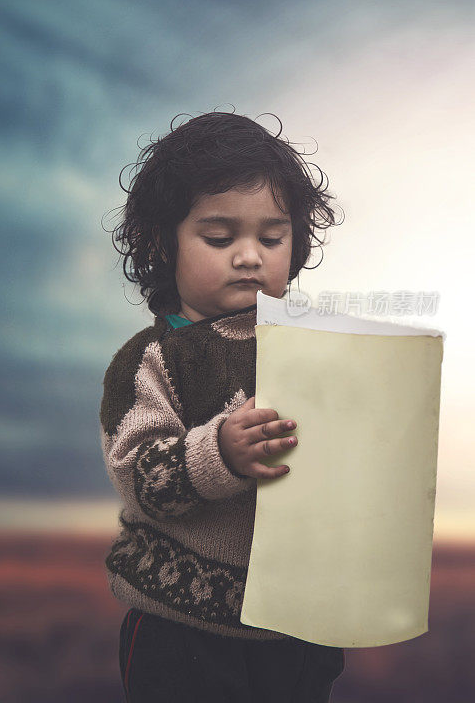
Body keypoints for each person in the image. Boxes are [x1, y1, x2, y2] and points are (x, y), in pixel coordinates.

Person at [100, 110, 345, 702]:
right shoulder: (153, 358)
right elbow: (142, 477)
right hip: (183, 632)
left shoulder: (317, 352)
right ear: (163, 242)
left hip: (296, 628)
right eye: (219, 238)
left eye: (271, 237)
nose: (249, 256)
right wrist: (222, 454)